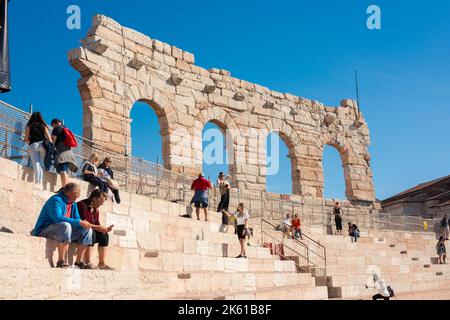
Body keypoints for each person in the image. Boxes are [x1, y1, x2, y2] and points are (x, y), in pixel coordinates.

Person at [32, 183, 93, 269]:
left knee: (87, 230)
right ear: (73, 193)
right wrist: (79, 221)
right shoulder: (56, 200)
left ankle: (79, 262)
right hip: (45, 230)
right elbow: (57, 218)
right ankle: (61, 261)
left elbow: (77, 218)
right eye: (78, 194)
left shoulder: (73, 204)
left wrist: (82, 223)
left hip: (62, 232)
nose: (79, 196)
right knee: (66, 225)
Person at [77, 189, 114, 270]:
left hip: (89, 231)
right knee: (92, 232)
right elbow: (84, 223)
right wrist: (98, 228)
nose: (101, 204)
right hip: (79, 232)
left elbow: (97, 225)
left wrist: (105, 229)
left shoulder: (95, 210)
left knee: (104, 235)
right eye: (100, 201)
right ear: (94, 198)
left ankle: (101, 263)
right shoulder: (82, 205)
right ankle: (87, 261)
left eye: (103, 202)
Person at [24, 112, 52, 186]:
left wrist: (25, 140)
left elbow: (26, 138)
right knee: (41, 164)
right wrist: (52, 146)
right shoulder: (44, 125)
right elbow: (49, 138)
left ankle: (37, 182)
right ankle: (40, 182)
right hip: (43, 145)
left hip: (33, 145)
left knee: (36, 163)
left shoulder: (29, 126)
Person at [51, 119, 78, 188]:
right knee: (64, 170)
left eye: (53, 125)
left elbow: (53, 140)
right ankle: (67, 187)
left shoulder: (56, 128)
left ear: (55, 123)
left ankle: (65, 187)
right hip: (68, 152)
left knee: (62, 170)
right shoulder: (65, 129)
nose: (53, 127)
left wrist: (51, 148)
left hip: (62, 152)